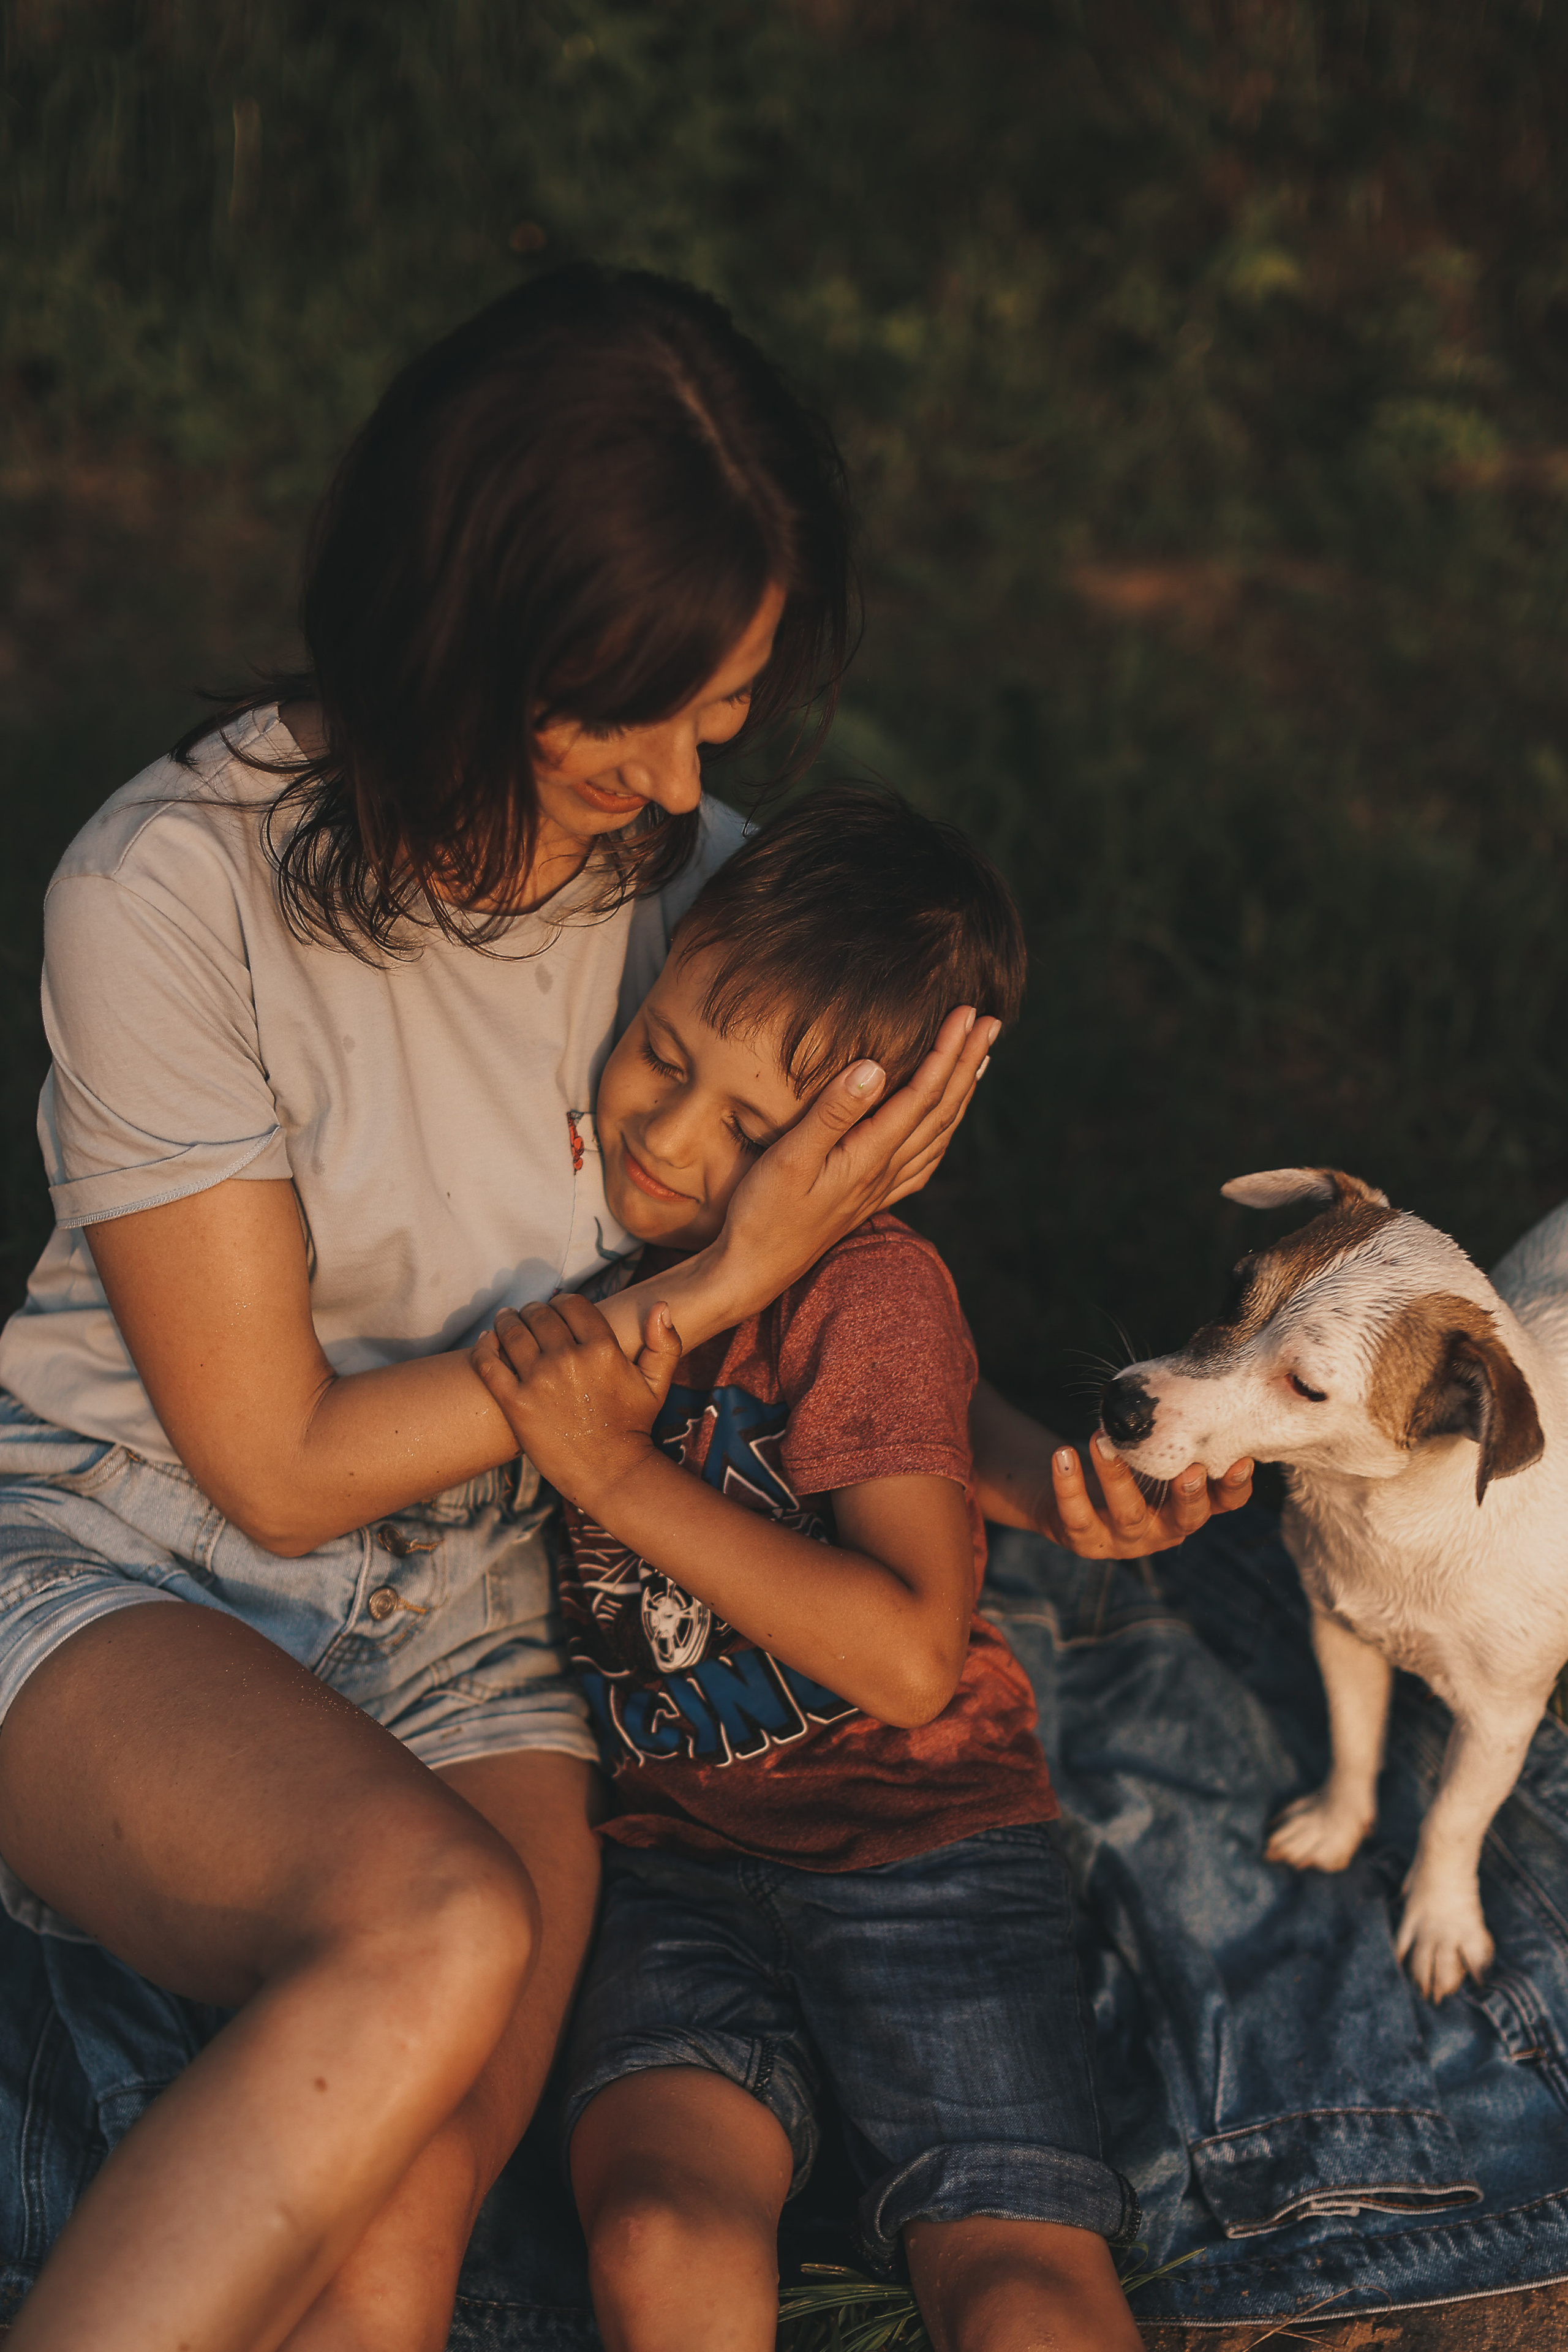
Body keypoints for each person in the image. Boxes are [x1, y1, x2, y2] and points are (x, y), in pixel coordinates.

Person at [0, 266, 1245, 2352]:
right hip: (134, 1557)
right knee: (439, 1925)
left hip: (501, 1631)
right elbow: (278, 1466)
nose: (680, 785)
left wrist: (1041, 1477)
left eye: (725, 706)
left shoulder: (709, 902)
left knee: (405, 2238)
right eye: (638, 711)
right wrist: (719, 1278)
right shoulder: (168, 897)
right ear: (459, 639)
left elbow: (837, 1338)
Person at [471, 793, 1153, 2352]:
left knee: (1013, 2275)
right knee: (652, 2229)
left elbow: (910, 1659)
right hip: (678, 1858)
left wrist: (610, 1475)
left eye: (747, 1132)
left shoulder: (871, 1295)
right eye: (662, 1054)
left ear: (874, 1162)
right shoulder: (597, 1244)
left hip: (921, 1843)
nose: (665, 1138)